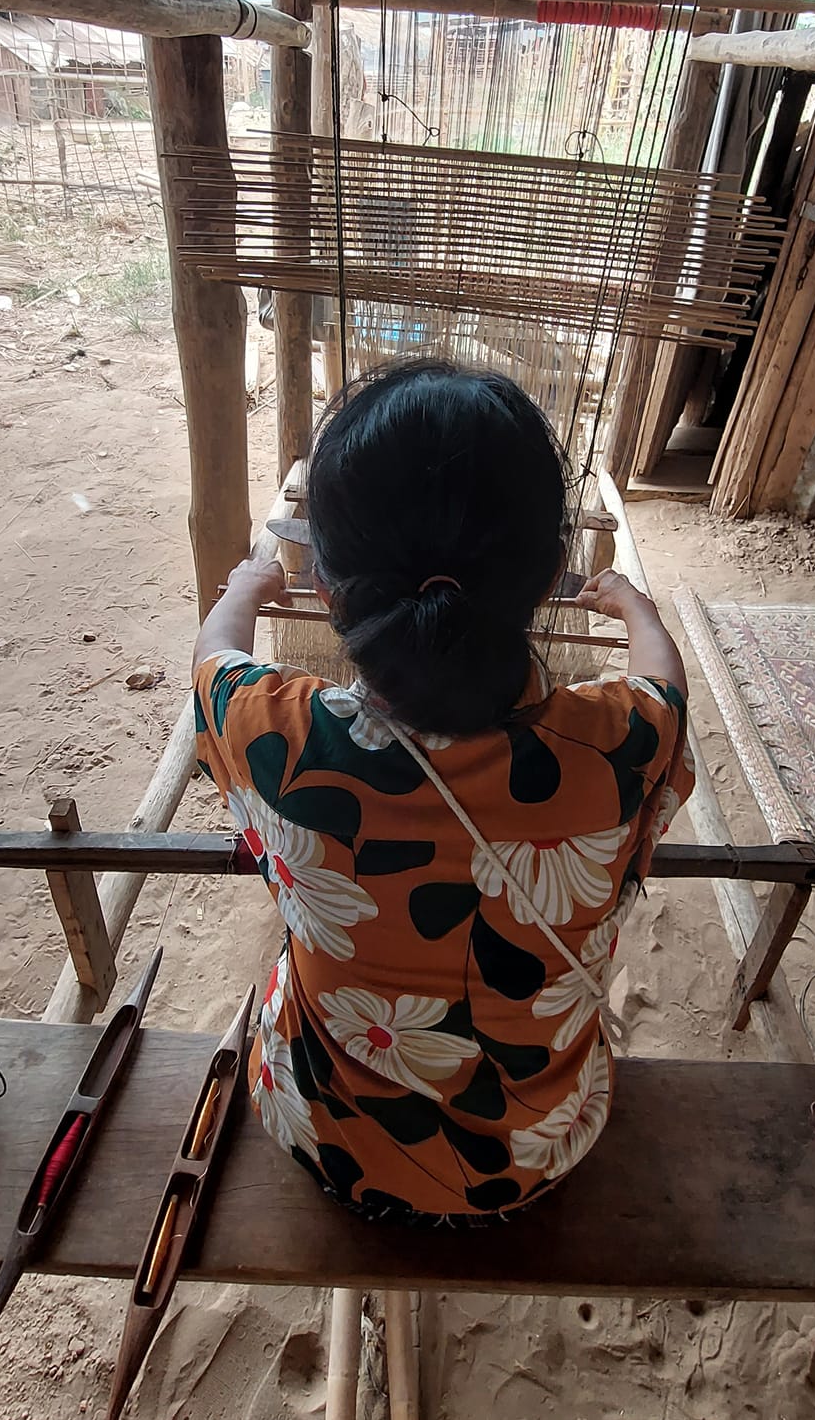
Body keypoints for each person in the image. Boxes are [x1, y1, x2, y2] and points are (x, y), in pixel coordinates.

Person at [193, 361, 693, 1224]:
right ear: (547, 575)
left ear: (326, 588)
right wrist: (636, 611)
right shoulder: (619, 746)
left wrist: (244, 588)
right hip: (536, 1152)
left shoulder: (274, 734)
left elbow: (214, 659)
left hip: (325, 1136)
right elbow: (665, 690)